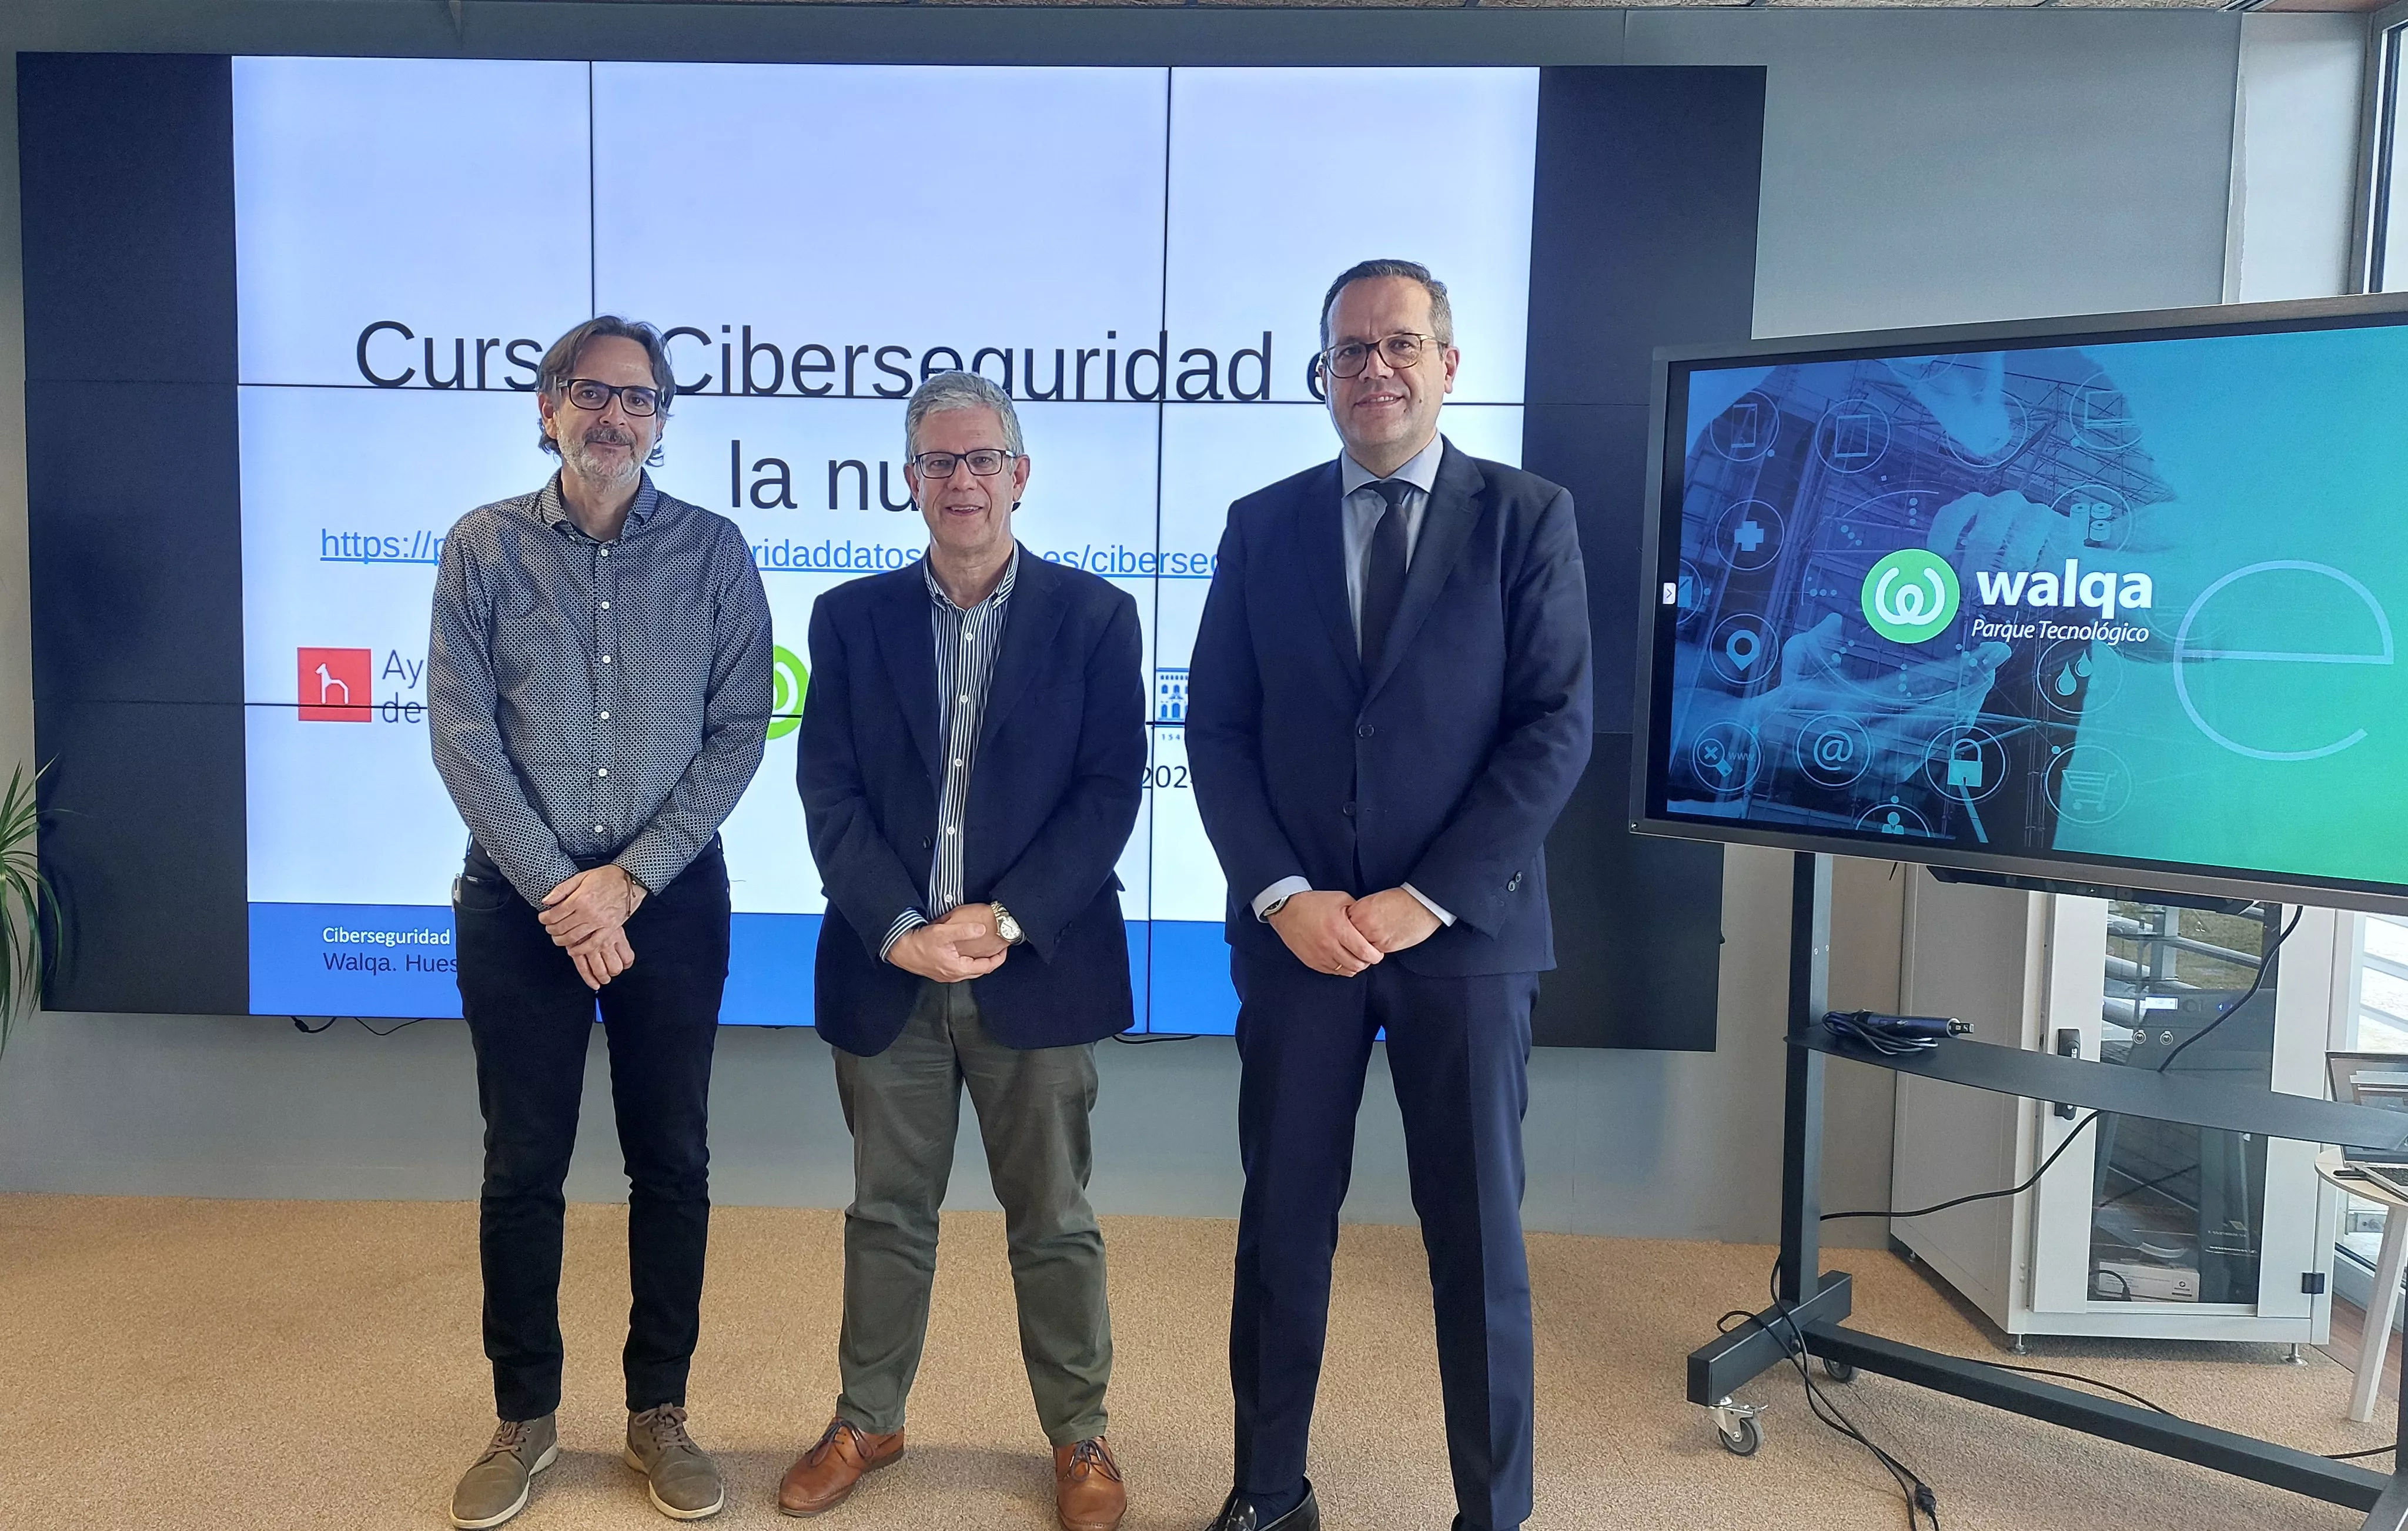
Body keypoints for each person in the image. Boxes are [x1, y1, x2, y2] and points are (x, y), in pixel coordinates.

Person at [1186, 261, 1593, 1531]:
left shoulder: (1527, 517)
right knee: (1281, 1229)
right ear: (1323, 374)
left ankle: (1492, 1511)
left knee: (1475, 1247)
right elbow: (1218, 731)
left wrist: (1427, 898)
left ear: (1447, 365)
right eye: (1350, 351)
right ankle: (1266, 1491)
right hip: (1300, 943)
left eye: (1398, 345)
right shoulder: (1262, 524)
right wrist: (1283, 895)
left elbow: (1553, 729)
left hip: (1462, 945)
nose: (1374, 369)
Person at [786, 371, 1145, 1531]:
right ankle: (869, 1417)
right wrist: (902, 930)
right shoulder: (847, 620)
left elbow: (1105, 794)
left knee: (1052, 1218)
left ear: (1018, 476)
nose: (960, 483)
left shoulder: (1093, 617)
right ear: (909, 483)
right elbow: (828, 794)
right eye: (938, 463)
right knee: (886, 1213)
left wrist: (998, 921)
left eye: (981, 459)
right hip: (886, 973)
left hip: (1034, 970)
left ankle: (1078, 1436)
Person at [429, 316, 772, 1528]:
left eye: (635, 399)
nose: (611, 417)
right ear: (546, 407)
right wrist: (560, 896)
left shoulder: (716, 553)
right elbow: (462, 739)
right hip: (517, 905)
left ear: (662, 422)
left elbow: (739, 733)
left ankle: (657, 1413)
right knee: (520, 1164)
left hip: (669, 903)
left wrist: (627, 882)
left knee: (670, 1161)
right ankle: (524, 1416)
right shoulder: (481, 548)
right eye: (588, 393)